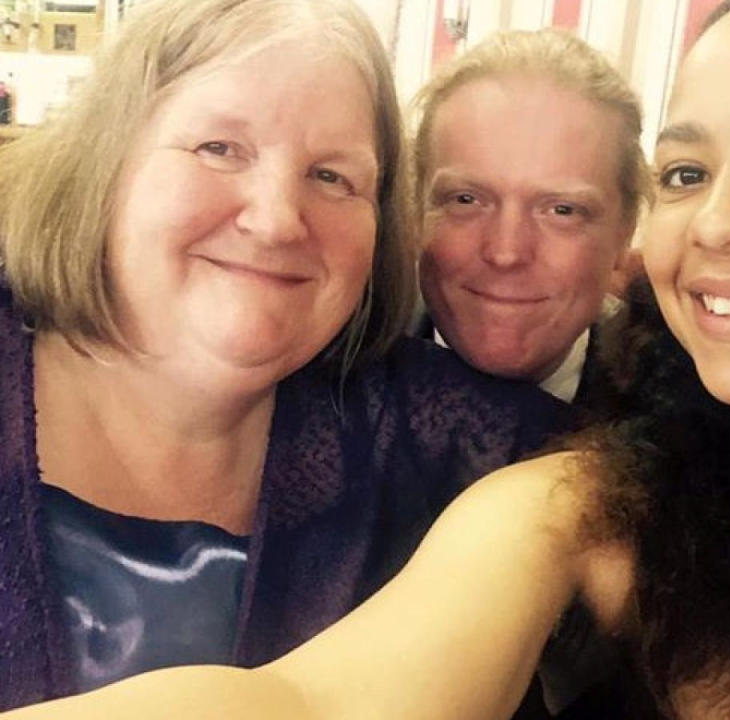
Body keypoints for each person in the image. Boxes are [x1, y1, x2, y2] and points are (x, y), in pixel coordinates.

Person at [8, 0, 730, 718]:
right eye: (690, 173)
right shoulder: (590, 482)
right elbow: (315, 702)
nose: (723, 221)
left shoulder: (571, 421)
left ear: (625, 240)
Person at [0, 0, 570, 712]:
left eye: (333, 176)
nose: (275, 220)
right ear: (107, 167)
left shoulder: (438, 432)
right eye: (219, 148)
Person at [409, 29, 652, 406]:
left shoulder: (681, 419)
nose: (506, 253)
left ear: (625, 232)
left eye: (562, 211)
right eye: (467, 199)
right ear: (414, 212)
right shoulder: (334, 377)